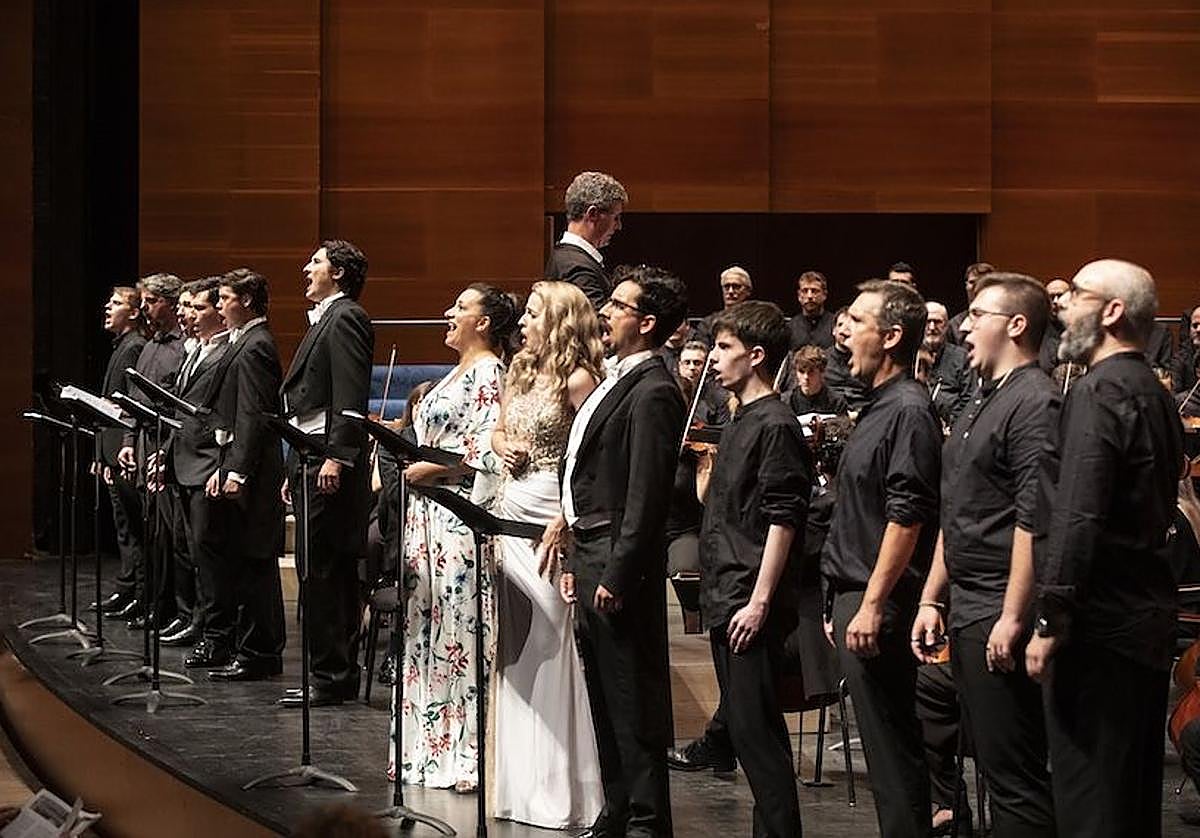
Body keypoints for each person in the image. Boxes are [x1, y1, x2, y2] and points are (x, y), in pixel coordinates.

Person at [1026, 259, 1184, 837]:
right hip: (1141, 621)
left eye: (1077, 295)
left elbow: (1077, 515)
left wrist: (1049, 618)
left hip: (1097, 628)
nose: (1062, 307)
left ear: (1113, 311)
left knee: (1090, 802)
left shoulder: (1099, 391)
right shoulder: (1154, 392)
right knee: (1129, 800)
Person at [542, 265, 688, 838]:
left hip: (619, 558)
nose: (605, 313)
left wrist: (619, 572)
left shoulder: (653, 390)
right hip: (594, 549)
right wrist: (579, 553)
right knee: (604, 694)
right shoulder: (618, 377)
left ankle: (648, 821)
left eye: (618, 306)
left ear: (647, 323)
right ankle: (620, 809)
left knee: (633, 698)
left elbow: (647, 497)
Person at [912, 272, 1059, 837]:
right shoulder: (981, 397)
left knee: (1013, 776)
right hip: (968, 604)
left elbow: (1032, 519)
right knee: (988, 768)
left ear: (1017, 325)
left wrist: (1015, 616)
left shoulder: (1036, 402)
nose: (963, 327)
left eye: (978, 315)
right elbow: (959, 506)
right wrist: (931, 596)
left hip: (999, 604)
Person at [821, 279, 941, 838]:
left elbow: (907, 517)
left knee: (893, 752)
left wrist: (869, 604)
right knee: (885, 749)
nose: (843, 336)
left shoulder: (910, 411)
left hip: (882, 604)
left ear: (891, 337)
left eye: (857, 324)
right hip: (856, 596)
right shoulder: (878, 406)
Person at [488, 280, 606, 828]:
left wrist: (566, 519)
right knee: (514, 646)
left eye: (534, 315)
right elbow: (499, 428)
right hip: (509, 508)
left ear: (559, 322)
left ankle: (562, 788)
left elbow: (589, 461)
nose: (525, 323)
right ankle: (519, 787)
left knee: (551, 641)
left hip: (550, 515)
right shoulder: (520, 370)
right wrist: (501, 444)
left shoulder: (581, 380)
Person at [394, 283, 517, 790]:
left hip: (455, 517)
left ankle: (465, 751)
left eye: (461, 308)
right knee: (428, 624)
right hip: (428, 517)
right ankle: (427, 747)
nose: (449, 313)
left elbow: (492, 450)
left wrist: (436, 471)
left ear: (484, 322)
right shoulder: (457, 372)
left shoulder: (491, 373)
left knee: (457, 628)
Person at [700, 301, 811, 838]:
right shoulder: (741, 416)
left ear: (757, 356)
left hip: (749, 599)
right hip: (727, 591)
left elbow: (783, 518)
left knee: (757, 733)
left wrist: (761, 599)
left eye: (724, 349)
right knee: (746, 731)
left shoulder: (776, 424)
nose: (713, 358)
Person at [278, 240, 374, 707]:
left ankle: (334, 677)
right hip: (308, 455)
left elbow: (351, 396)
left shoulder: (346, 317)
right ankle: (325, 673)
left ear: (337, 273)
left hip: (327, 460)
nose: (305, 267)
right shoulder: (328, 318)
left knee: (326, 571)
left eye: (315, 262)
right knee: (312, 570)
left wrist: (337, 456)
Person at [205, 268, 288, 682]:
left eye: (224, 298)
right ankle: (250, 646)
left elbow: (253, 415)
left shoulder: (256, 345)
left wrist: (237, 469)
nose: (219, 306)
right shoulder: (245, 342)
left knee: (256, 561)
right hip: (240, 464)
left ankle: (260, 652)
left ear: (248, 301)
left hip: (256, 470)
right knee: (244, 560)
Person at [165, 276, 231, 659]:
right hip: (183, 460)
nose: (188, 314)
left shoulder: (224, 354)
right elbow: (181, 411)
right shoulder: (197, 350)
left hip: (207, 464)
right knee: (187, 551)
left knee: (208, 556)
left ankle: (214, 631)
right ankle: (197, 621)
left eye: (198, 307)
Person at [117, 272, 186, 627]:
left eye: (151, 301)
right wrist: (128, 442)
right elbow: (132, 402)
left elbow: (180, 407)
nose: (144, 308)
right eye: (142, 302)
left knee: (169, 534)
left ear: (171, 303)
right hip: (144, 443)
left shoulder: (183, 347)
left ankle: (170, 609)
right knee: (150, 532)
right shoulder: (147, 347)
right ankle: (153, 604)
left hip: (168, 446)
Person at [95, 286, 150, 619]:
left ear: (133, 312)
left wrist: (115, 452)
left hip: (124, 452)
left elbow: (127, 407)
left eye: (115, 303)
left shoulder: (134, 347)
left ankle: (136, 591)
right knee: (123, 525)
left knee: (133, 526)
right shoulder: (123, 345)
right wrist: (100, 456)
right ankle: (128, 587)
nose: (107, 306)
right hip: (113, 451)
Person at [545, 171, 628, 310]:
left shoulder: (566, 258)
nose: (619, 226)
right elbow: (599, 327)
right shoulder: (577, 268)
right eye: (616, 218)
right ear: (593, 214)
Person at [923, 302, 972, 427]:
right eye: (928, 321)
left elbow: (969, 400)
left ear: (947, 326)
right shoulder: (909, 357)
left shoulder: (962, 358)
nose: (932, 327)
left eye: (938, 322)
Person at [823, 307, 870, 414]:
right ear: (834, 331)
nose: (844, 330)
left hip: (862, 413)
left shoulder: (868, 361)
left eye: (850, 326)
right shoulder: (822, 359)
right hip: (831, 413)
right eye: (840, 325)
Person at [786, 345, 849, 416]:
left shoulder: (837, 403)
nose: (806, 377)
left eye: (811, 372)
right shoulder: (787, 401)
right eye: (801, 371)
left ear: (822, 372)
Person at [946, 262, 995, 346]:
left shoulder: (1002, 320)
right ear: (966, 285)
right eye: (972, 282)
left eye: (982, 282)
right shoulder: (954, 324)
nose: (976, 287)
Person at [789, 270, 835, 350]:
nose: (809, 296)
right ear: (799, 296)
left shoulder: (835, 324)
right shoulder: (791, 327)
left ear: (824, 295)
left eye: (814, 291)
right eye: (805, 291)